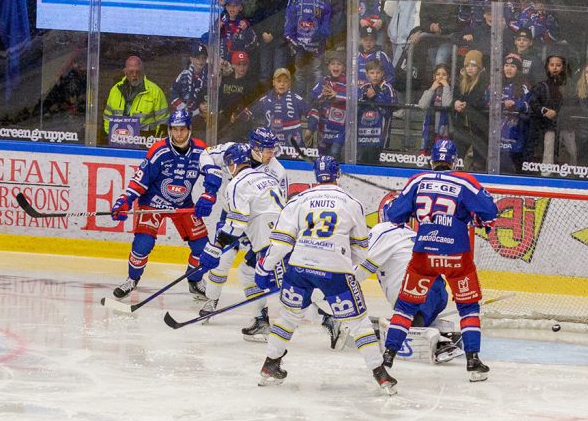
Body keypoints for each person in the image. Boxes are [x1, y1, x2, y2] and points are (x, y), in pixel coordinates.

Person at [255, 156, 396, 393]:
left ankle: (270, 365)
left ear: (315, 176)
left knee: (288, 318)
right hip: (334, 270)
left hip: (299, 268)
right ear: (337, 175)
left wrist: (264, 268)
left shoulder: (298, 200)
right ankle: (380, 374)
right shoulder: (351, 202)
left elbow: (280, 244)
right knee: (358, 322)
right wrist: (345, 266)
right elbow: (361, 249)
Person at [381, 138, 498, 382]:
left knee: (406, 306)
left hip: (425, 254)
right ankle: (473, 360)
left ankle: (388, 355)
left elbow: (394, 215)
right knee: (468, 307)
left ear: (431, 159)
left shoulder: (417, 181)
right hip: (456, 256)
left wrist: (409, 207)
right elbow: (489, 210)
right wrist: (469, 216)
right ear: (455, 160)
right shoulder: (465, 181)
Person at [110, 109, 210, 299]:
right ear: (169, 130)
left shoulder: (200, 151)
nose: (178, 134)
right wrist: (125, 201)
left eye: (182, 129)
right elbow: (141, 180)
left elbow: (212, 173)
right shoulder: (160, 151)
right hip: (153, 202)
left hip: (183, 204)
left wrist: (208, 196)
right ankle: (132, 280)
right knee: (143, 243)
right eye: (174, 129)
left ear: (189, 129)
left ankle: (195, 281)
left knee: (202, 247)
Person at [197, 129, 287, 339]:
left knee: (258, 270)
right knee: (224, 258)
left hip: (259, 221)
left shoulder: (277, 170)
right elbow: (206, 154)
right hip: (238, 212)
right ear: (254, 147)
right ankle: (211, 300)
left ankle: (262, 316)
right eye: (267, 150)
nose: (271, 154)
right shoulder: (234, 151)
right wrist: (211, 181)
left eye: (273, 149)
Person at [355, 219, 464, 364]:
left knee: (408, 319)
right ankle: (444, 331)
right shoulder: (414, 233)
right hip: (438, 291)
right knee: (420, 314)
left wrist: (342, 283)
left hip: (415, 290)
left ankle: (441, 342)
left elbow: (366, 265)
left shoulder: (382, 229)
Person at [284, 0, 331, 91]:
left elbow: (326, 25)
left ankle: (316, 107)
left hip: (317, 48)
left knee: (317, 75)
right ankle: (300, 106)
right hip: (299, 47)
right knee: (300, 76)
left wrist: (319, 37)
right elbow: (289, 26)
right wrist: (295, 43)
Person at [102, 54, 168, 141]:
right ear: (125, 72)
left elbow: (163, 123)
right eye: (131, 71)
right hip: (118, 141)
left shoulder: (155, 92)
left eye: (138, 71)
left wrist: (155, 143)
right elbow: (107, 118)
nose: (134, 74)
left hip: (144, 143)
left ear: (143, 71)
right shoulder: (115, 90)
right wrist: (111, 137)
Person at [245, 67, 305, 147]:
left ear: (290, 83)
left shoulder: (297, 99)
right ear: (273, 82)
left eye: (285, 81)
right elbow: (249, 113)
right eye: (279, 81)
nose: (282, 84)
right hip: (271, 147)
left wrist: (310, 130)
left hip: (293, 147)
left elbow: (313, 112)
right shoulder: (265, 100)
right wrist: (240, 115)